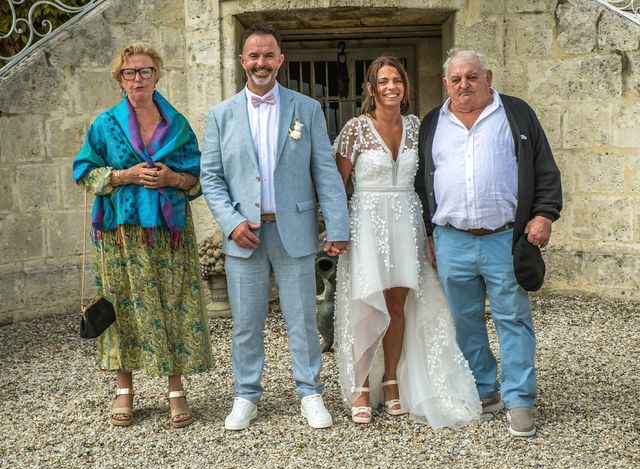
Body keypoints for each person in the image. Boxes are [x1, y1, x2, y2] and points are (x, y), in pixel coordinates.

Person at [200, 23, 350, 430]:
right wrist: (230, 223)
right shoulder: (220, 114)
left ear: (279, 60)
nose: (261, 63)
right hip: (243, 233)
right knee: (246, 322)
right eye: (254, 56)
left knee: (302, 318)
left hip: (294, 230)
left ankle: (310, 392)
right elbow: (210, 176)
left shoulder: (307, 109)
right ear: (242, 61)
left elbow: (324, 170)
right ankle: (246, 394)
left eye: (269, 55)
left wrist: (338, 225)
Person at [416, 50, 563, 437]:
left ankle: (519, 399)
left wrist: (544, 214)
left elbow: (544, 166)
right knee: (465, 323)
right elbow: (423, 184)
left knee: (512, 319)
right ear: (445, 83)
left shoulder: (516, 114)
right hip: (452, 240)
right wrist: (430, 235)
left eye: (472, 77)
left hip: (504, 237)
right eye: (455, 79)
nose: (463, 85)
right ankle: (484, 389)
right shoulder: (433, 122)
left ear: (488, 76)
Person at [333, 56, 481, 428]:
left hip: (407, 219)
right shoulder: (355, 129)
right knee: (367, 301)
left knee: (398, 302)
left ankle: (392, 379)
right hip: (366, 219)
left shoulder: (418, 127)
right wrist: (336, 230)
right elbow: (337, 185)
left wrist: (433, 230)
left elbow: (430, 179)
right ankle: (362, 385)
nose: (390, 87)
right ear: (370, 89)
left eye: (396, 80)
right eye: (382, 81)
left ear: (405, 86)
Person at [73, 43, 212, 428]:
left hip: (170, 233)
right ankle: (124, 390)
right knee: (123, 308)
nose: (138, 78)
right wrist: (124, 175)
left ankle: (175, 388)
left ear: (157, 75)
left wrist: (172, 178)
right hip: (121, 235)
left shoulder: (177, 125)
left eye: (146, 71)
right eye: (130, 72)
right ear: (120, 78)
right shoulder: (105, 124)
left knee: (174, 303)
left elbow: (197, 178)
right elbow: (84, 172)